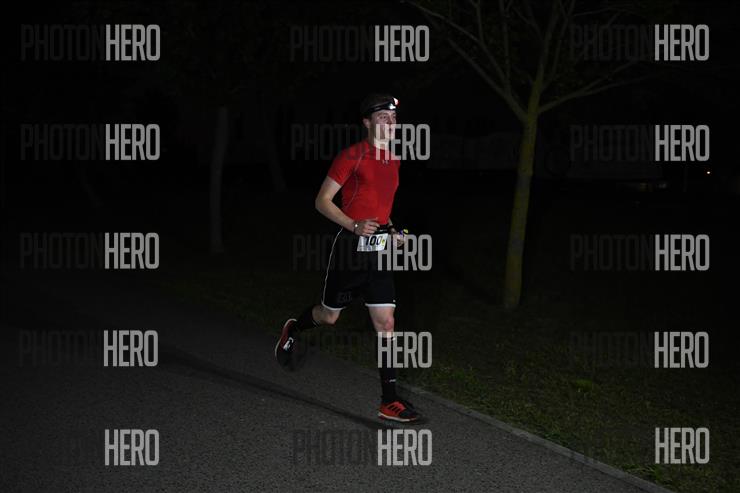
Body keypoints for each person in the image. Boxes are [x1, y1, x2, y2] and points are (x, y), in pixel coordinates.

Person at [275, 93, 421, 423]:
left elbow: (380, 208)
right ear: (367, 123)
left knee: (386, 323)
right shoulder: (351, 156)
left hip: (379, 250)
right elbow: (322, 201)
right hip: (350, 249)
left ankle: (389, 401)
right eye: (382, 117)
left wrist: (393, 231)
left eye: (393, 118)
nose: (390, 122)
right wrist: (353, 225)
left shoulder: (394, 160)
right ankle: (294, 328)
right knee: (329, 317)